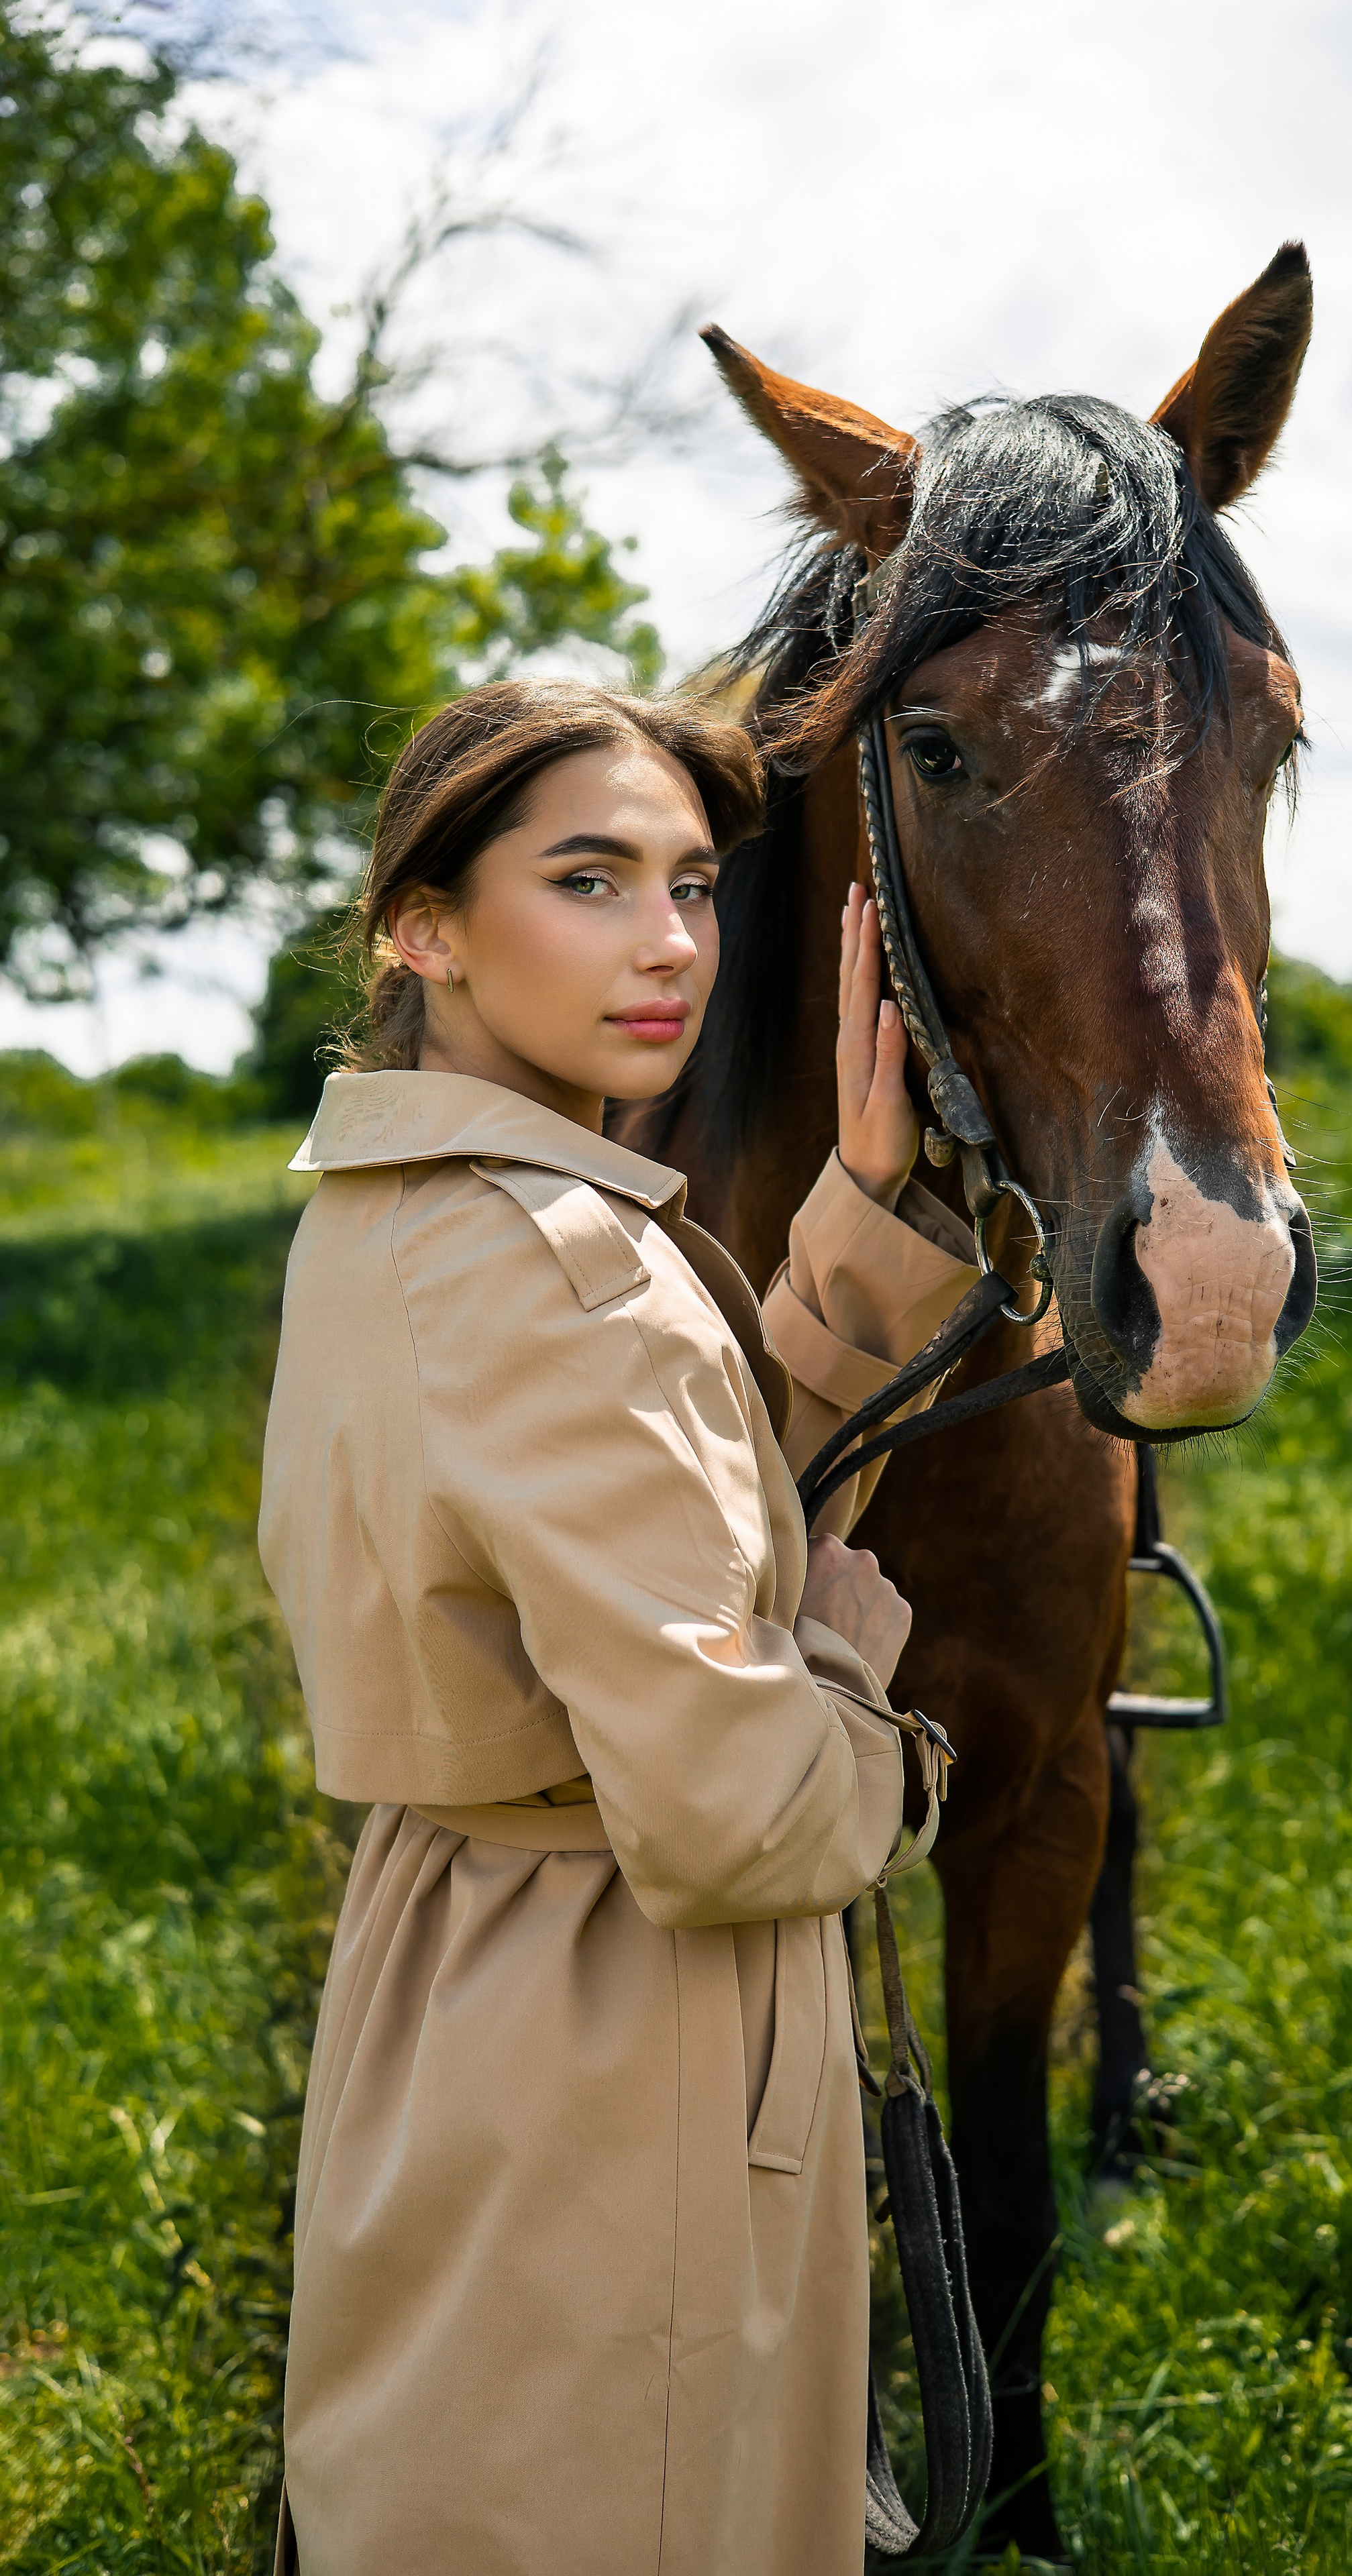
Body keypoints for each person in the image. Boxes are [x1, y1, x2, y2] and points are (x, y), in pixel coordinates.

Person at [257, 676, 980, 2575]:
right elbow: (736, 1812)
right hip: (628, 2033)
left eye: (690, 886)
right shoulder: (578, 1282)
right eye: (589, 881)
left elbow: (642, 1515)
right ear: (420, 924)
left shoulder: (395, 1208)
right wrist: (855, 1692)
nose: (670, 946)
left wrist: (856, 1217)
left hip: (447, 1981)